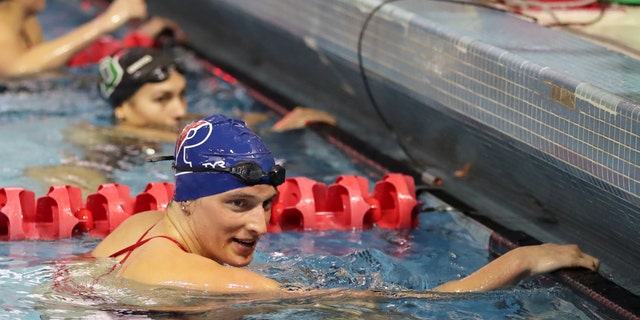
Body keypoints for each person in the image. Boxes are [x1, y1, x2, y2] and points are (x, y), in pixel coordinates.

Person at [91, 113, 599, 293]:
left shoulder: (140, 227)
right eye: (239, 204)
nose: (260, 226)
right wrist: (523, 258)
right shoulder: (210, 281)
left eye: (266, 205)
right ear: (187, 200)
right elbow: (419, 307)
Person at [0, 0, 185, 78]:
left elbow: (52, 66)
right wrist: (106, 22)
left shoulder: (27, 22)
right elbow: (19, 69)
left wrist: (137, 40)